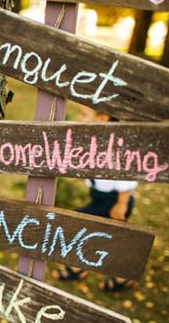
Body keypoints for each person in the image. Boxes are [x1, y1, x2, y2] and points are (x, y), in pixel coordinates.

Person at [53, 105, 137, 292]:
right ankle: (83, 268)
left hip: (114, 201)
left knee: (80, 226)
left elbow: (126, 178)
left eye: (84, 115)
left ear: (103, 119)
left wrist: (121, 204)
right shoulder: (95, 139)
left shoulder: (115, 145)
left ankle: (117, 276)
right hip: (100, 198)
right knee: (100, 236)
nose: (80, 118)